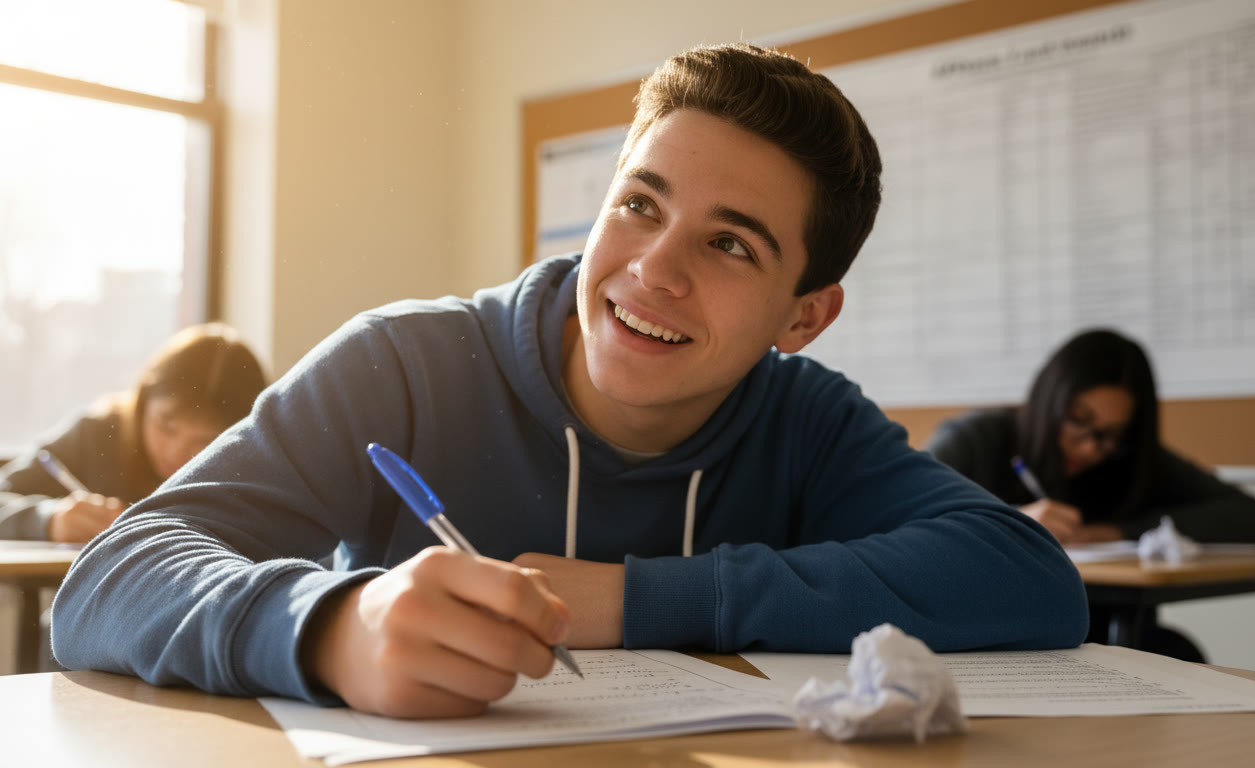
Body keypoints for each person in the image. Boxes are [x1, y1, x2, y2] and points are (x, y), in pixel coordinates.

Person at [52, 43, 1088, 719]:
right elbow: (111, 577)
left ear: (803, 316)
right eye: (640, 205)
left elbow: (1027, 576)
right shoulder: (407, 363)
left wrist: (635, 600)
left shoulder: (805, 419)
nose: (654, 271)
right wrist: (331, 627)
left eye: (730, 245)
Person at [925, 327, 1255, 661]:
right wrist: (1011, 522)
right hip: (987, 634)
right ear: (1050, 400)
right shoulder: (975, 440)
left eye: (1110, 435)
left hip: (1101, 635)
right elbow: (900, 523)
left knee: (1174, 652)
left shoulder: (1131, 463)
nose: (1091, 447)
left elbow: (1254, 518)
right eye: (1079, 420)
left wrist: (1117, 532)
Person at [0, 322, 268, 542]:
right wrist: (48, 520)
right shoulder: (97, 435)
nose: (175, 452)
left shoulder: (261, 471)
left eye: (205, 440)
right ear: (143, 401)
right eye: (167, 426)